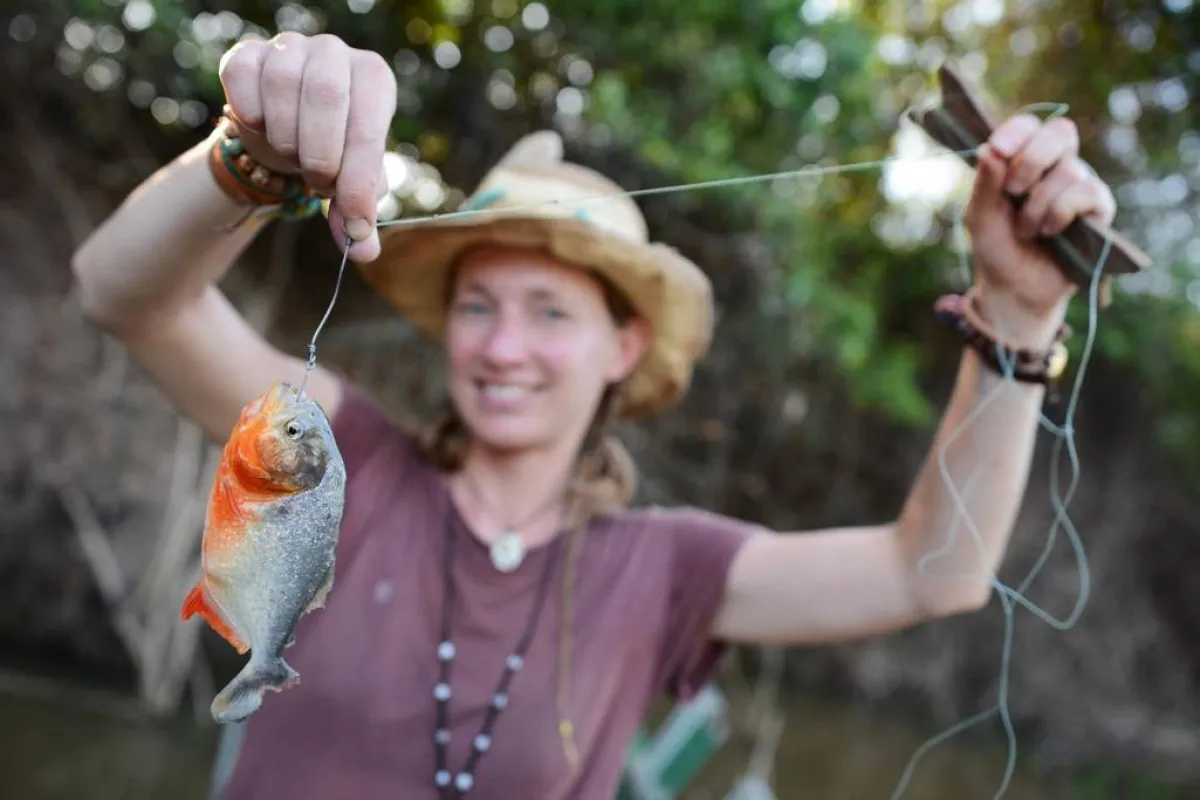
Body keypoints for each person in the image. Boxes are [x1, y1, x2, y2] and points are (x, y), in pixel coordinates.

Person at [70, 31, 1117, 800]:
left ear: (623, 347)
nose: (503, 345)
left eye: (549, 312)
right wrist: (244, 160)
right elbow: (126, 297)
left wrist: (1017, 318)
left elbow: (933, 571)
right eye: (477, 305)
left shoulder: (665, 567)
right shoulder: (349, 465)